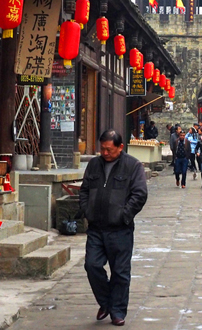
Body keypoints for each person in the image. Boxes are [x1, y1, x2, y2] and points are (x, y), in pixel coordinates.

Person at [80, 129, 148, 326]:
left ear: (120, 147)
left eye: (109, 149)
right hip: (96, 227)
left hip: (120, 229)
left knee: (120, 272)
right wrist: (87, 210)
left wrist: (124, 215)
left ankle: (117, 311)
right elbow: (84, 190)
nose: (105, 153)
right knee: (92, 265)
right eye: (102, 149)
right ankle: (106, 302)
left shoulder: (132, 166)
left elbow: (140, 194)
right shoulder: (94, 164)